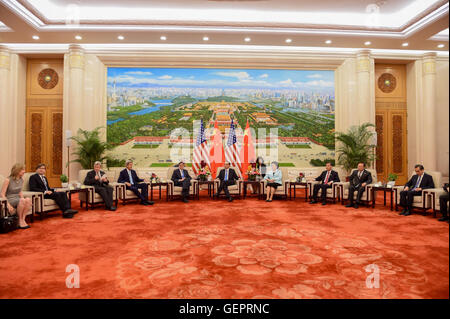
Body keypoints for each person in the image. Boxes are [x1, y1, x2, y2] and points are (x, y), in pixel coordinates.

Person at [0, 163, 32, 229]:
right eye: (23, 169)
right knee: (22, 200)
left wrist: (25, 201)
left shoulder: (21, 180)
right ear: (17, 170)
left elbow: (20, 192)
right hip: (10, 199)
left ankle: (23, 219)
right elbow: (2, 194)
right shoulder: (8, 180)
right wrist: (8, 205)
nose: (24, 171)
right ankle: (20, 220)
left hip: (18, 199)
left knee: (28, 199)